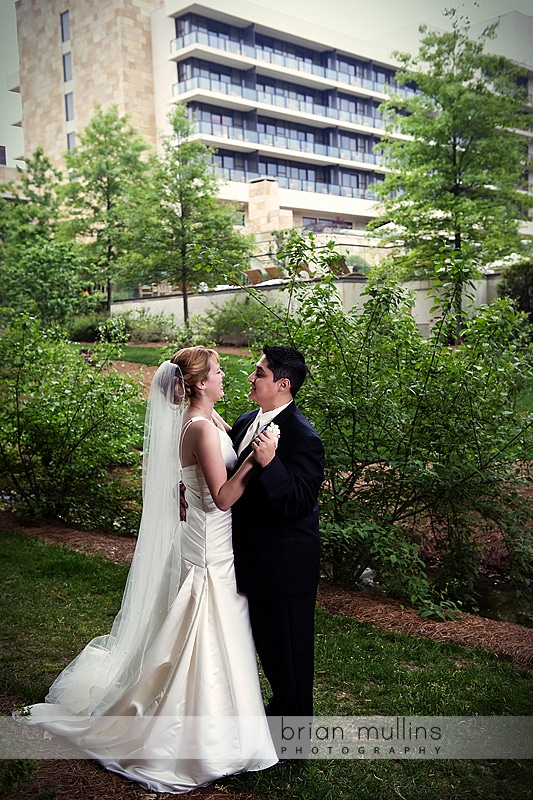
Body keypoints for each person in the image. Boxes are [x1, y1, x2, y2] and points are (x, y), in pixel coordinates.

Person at [16, 347, 278, 794]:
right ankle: (194, 738)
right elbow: (222, 497)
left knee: (215, 634)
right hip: (208, 548)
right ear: (198, 383)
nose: (224, 377)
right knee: (203, 633)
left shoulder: (211, 422)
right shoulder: (199, 428)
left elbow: (192, 481)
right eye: (217, 372)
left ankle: (225, 731)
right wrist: (258, 460)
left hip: (211, 541)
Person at [229, 346, 325, 719]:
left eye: (259, 373)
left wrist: (270, 465)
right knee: (268, 649)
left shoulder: (303, 438)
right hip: (251, 559)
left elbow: (300, 502)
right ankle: (273, 715)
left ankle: (294, 741)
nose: (251, 379)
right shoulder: (245, 421)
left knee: (290, 658)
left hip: (285, 567)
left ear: (283, 384)